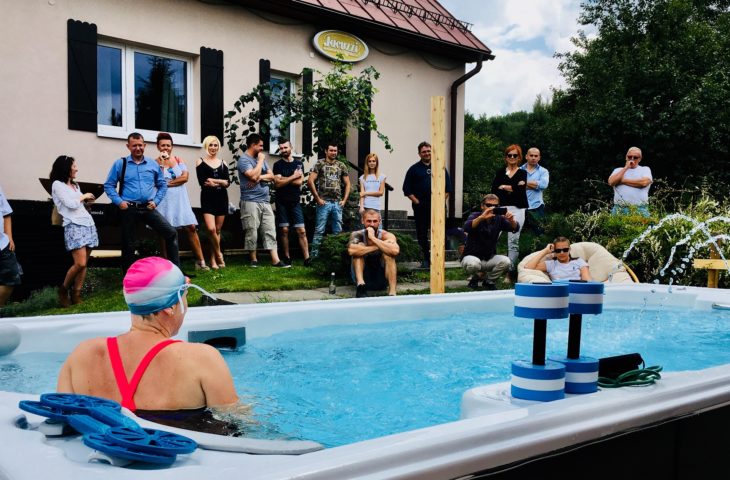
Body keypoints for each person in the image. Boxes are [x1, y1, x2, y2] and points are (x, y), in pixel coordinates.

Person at [56, 257, 239, 423]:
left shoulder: (81, 355)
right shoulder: (202, 359)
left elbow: (60, 422)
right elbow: (235, 425)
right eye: (185, 297)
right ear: (170, 307)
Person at [104, 132, 179, 273]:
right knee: (129, 243)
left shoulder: (152, 164)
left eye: (140, 145)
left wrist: (156, 201)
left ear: (144, 145)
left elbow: (162, 185)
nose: (138, 148)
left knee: (171, 233)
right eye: (134, 146)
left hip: (148, 208)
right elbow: (108, 185)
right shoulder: (120, 164)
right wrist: (119, 202)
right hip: (129, 209)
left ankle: (176, 272)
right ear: (128, 146)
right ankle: (128, 277)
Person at [50, 155, 99, 307]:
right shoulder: (57, 185)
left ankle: (76, 294)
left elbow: (78, 205)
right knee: (80, 263)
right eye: (74, 166)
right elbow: (70, 204)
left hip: (88, 224)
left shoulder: (75, 185)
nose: (76, 169)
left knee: (85, 263)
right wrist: (83, 196)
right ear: (66, 168)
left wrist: (87, 203)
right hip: (74, 225)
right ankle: (63, 290)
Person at [155, 133, 208, 271]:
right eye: (163, 145)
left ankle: (200, 262)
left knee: (191, 227)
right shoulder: (155, 163)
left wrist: (167, 183)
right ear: (158, 147)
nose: (166, 148)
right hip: (164, 201)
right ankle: (166, 263)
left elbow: (185, 178)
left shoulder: (178, 160)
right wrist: (162, 164)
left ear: (172, 147)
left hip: (180, 200)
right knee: (164, 231)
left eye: (168, 145)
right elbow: (157, 181)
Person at [237, 133, 289, 268]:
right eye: (260, 146)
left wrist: (259, 177)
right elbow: (252, 177)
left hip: (265, 201)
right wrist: (260, 162)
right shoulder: (244, 160)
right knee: (251, 230)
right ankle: (253, 260)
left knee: (270, 229)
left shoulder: (261, 159)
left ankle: (275, 260)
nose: (262, 149)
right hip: (250, 200)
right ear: (253, 145)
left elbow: (272, 177)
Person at [402, 141, 452, 269]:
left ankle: (438, 259)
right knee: (422, 233)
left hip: (438, 207)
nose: (427, 153)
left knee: (439, 233)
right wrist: (416, 201)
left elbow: (448, 188)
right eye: (424, 152)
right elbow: (406, 189)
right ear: (419, 154)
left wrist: (439, 202)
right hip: (421, 207)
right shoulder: (414, 169)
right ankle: (425, 259)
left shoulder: (440, 167)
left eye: (429, 151)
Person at [461, 194, 519, 290]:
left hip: (488, 258)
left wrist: (512, 220)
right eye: (489, 205)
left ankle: (489, 281)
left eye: (496, 206)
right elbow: (466, 227)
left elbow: (515, 228)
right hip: (471, 257)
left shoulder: (499, 218)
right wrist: (482, 217)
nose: (492, 208)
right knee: (473, 264)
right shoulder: (475, 215)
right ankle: (475, 278)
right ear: (482, 206)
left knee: (506, 261)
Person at [308, 142, 351, 258]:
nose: (333, 153)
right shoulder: (320, 163)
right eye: (331, 150)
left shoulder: (341, 165)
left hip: (337, 203)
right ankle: (314, 257)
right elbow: (310, 181)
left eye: (335, 151)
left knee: (338, 231)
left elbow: (348, 184)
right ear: (326, 151)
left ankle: (336, 257)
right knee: (319, 230)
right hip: (324, 202)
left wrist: (344, 200)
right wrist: (317, 198)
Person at [273, 138, 310, 266]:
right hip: (281, 201)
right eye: (281, 148)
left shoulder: (298, 164)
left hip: (295, 201)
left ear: (291, 147)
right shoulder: (277, 165)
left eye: (285, 147)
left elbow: (299, 182)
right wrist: (293, 176)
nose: (283, 150)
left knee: (301, 230)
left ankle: (307, 258)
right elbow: (277, 184)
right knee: (284, 230)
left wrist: (283, 179)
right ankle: (287, 257)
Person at [347, 209, 399, 297]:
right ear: (363, 221)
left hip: (381, 278)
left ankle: (392, 293)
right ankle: (361, 289)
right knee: (358, 252)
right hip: (363, 278)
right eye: (369, 221)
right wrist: (379, 246)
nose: (372, 224)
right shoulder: (357, 234)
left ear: (379, 222)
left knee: (389, 255)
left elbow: (395, 251)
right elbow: (351, 251)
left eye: (375, 221)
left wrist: (373, 238)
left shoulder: (386, 235)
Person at [491, 144, 528, 269]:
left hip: (518, 209)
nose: (512, 157)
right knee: (493, 236)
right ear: (506, 157)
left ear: (519, 157)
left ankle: (510, 270)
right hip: (501, 208)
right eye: (509, 155)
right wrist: (514, 187)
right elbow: (494, 190)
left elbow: (521, 190)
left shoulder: (522, 173)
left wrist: (504, 187)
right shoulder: (500, 172)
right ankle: (488, 266)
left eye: (515, 155)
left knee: (513, 240)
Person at [195, 135, 230, 270]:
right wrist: (221, 182)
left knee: (218, 230)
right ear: (206, 146)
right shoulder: (200, 161)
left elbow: (227, 183)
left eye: (215, 145)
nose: (213, 147)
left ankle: (213, 260)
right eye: (211, 145)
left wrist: (215, 182)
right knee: (211, 229)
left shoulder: (223, 162)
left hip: (222, 198)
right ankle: (219, 255)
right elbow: (203, 182)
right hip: (207, 198)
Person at [608, 146, 652, 216]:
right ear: (626, 157)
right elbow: (611, 182)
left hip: (639, 209)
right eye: (629, 157)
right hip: (619, 208)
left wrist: (622, 181)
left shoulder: (645, 169)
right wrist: (626, 168)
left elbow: (643, 183)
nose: (632, 159)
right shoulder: (618, 170)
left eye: (635, 157)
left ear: (640, 159)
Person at [523, 236, 592, 281]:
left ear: (569, 249)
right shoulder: (551, 264)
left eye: (565, 250)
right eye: (558, 250)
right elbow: (528, 267)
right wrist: (545, 251)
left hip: (577, 291)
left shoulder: (579, 261)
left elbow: (587, 280)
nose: (562, 253)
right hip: (559, 293)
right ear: (554, 251)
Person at [0, 184, 21, 310]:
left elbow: (6, 214)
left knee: (12, 277)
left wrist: (9, 237)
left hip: (2, 243)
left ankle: (0, 306)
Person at [520, 147, 549, 234]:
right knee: (520, 234)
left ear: (539, 158)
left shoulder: (543, 171)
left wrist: (524, 183)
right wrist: (535, 185)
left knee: (539, 234)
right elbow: (514, 186)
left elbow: (543, 185)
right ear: (526, 156)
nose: (533, 158)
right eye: (531, 155)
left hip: (537, 206)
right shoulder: (519, 170)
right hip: (520, 206)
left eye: (536, 156)